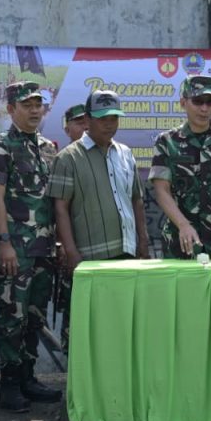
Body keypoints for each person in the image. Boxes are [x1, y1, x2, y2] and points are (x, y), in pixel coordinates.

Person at [0, 81, 63, 410]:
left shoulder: (48, 147)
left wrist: (56, 241)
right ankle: (9, 384)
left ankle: (28, 377)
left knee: (33, 317)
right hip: (14, 250)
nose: (33, 110)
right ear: (11, 109)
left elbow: (53, 200)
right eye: (26, 105)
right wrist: (4, 243)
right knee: (11, 317)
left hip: (43, 248)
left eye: (38, 104)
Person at [49, 90, 150, 348]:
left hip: (126, 253)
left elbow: (136, 199)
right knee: (87, 329)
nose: (109, 123)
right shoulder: (69, 158)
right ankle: (85, 385)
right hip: (89, 258)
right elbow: (60, 208)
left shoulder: (125, 153)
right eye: (103, 118)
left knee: (124, 324)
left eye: (114, 117)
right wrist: (71, 252)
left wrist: (143, 240)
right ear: (88, 119)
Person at [150, 75, 211, 259]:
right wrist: (183, 225)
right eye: (197, 101)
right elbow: (161, 191)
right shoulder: (166, 142)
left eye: (210, 102)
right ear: (183, 102)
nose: (204, 108)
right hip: (180, 242)